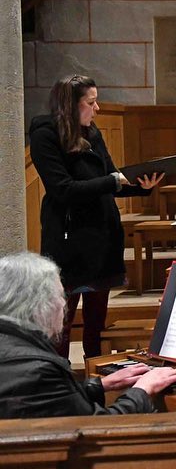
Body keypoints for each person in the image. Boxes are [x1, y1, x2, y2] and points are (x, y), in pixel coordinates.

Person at [29, 74, 164, 359]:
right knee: (60, 326)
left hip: (102, 237)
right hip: (69, 240)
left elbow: (110, 180)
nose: (97, 108)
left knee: (96, 325)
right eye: (91, 102)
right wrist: (115, 181)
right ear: (70, 105)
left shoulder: (92, 132)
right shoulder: (45, 134)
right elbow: (62, 189)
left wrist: (140, 187)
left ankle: (97, 379)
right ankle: (60, 383)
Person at [0, 252, 176, 418]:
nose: (63, 306)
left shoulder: (16, 353)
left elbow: (43, 400)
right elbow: (97, 428)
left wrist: (99, 385)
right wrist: (143, 390)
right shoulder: (38, 368)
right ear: (41, 307)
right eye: (60, 297)